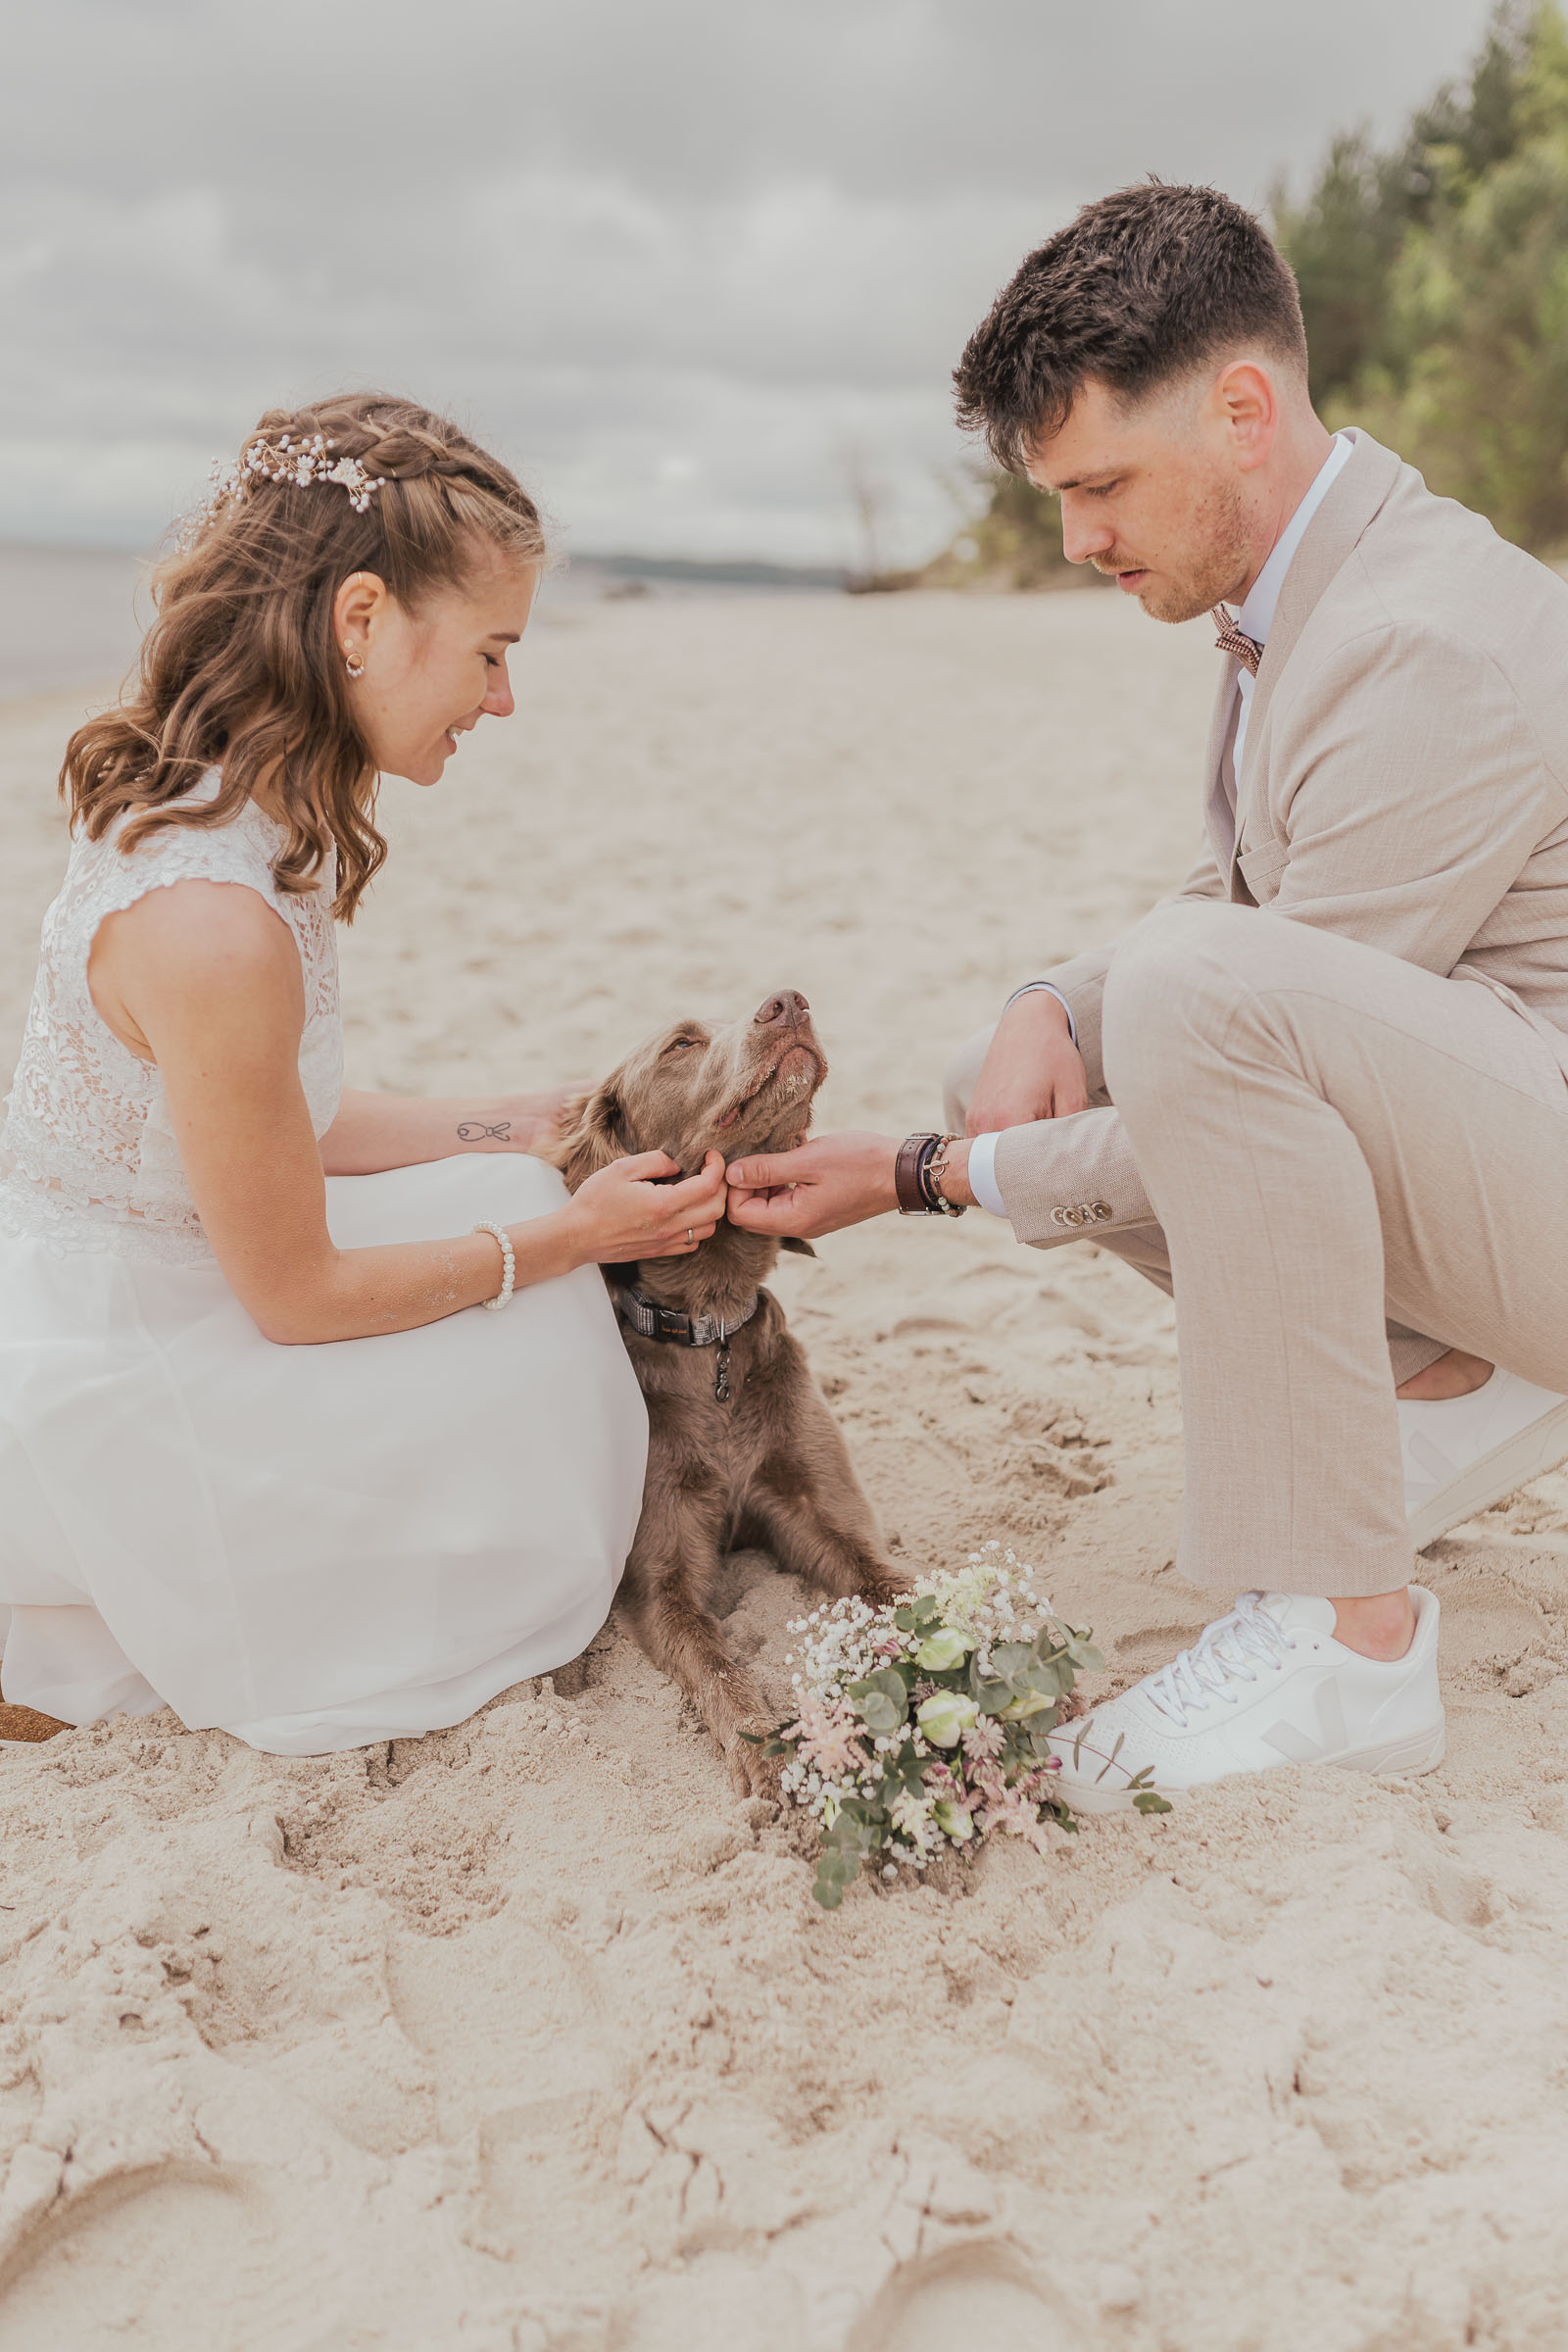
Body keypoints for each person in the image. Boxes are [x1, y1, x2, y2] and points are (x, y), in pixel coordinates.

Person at [725, 182, 1568, 1809]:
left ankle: (1349, 1640)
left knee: (1177, 1011)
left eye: (1102, 485)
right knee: (1026, 1050)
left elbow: (1243, 1044)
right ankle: (1449, 1374)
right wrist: (1051, 1002)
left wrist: (926, 1179)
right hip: (1506, 1118)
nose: (1080, 540)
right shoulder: (1311, 593)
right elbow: (1242, 899)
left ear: (1242, 411)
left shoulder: (1425, 649)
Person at [0, 392, 726, 1755]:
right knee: (546, 1375)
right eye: (492, 652)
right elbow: (296, 1294)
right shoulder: (211, 923)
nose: (505, 696)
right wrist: (571, 1234)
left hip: (179, 1267)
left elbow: (288, 1126)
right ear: (360, 621)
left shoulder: (251, 813)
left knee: (508, 1193)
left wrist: (519, 1122)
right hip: (129, 1363)